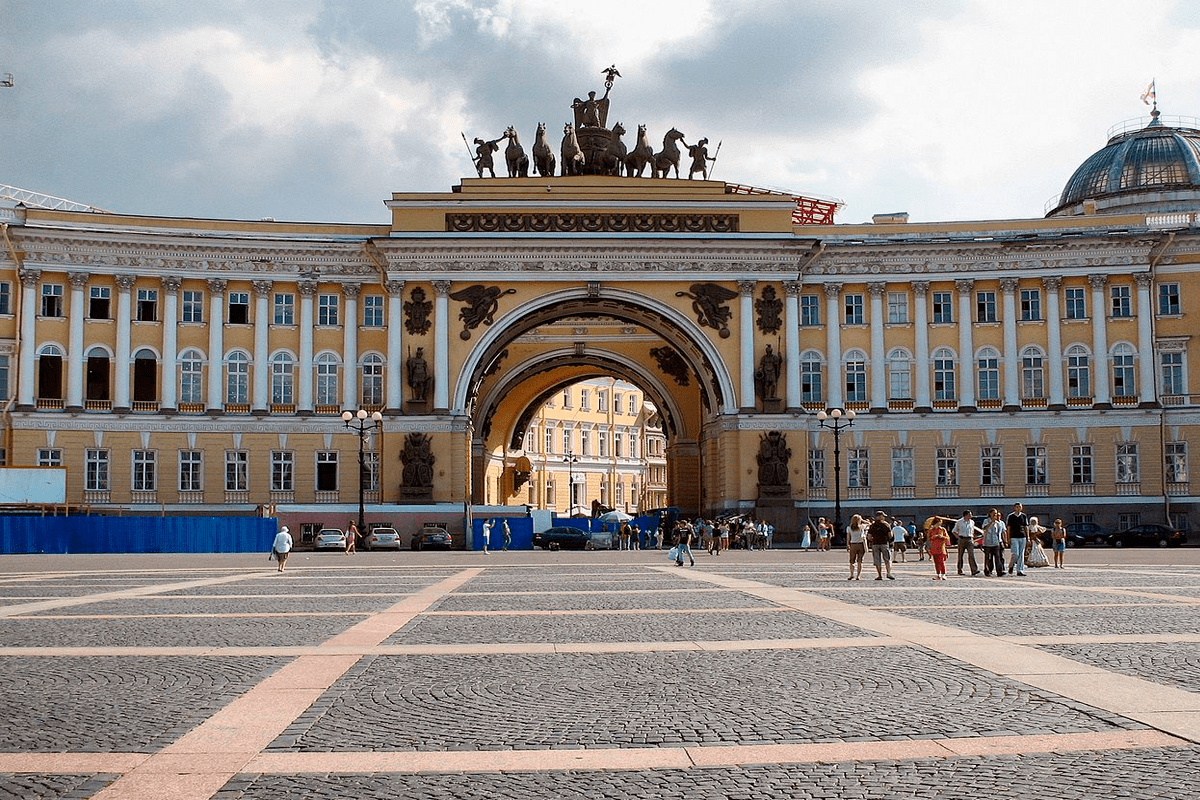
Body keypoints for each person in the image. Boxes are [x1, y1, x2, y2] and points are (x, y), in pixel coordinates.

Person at [952, 510, 982, 576]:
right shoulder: (959, 522)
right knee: (960, 555)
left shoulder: (972, 522)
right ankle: (960, 569)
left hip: (969, 539)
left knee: (971, 555)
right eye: (969, 514)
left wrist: (973, 538)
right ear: (966, 515)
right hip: (962, 539)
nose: (971, 516)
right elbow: (954, 531)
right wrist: (958, 537)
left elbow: (972, 531)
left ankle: (974, 570)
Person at [867, 511, 895, 580]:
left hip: (875, 544)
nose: (884, 517)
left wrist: (873, 539)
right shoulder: (886, 525)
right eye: (883, 516)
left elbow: (869, 537)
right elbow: (890, 535)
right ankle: (888, 573)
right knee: (887, 559)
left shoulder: (872, 525)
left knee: (877, 560)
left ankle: (879, 575)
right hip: (884, 543)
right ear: (881, 516)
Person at [982, 508, 1007, 577]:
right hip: (988, 542)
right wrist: (991, 522)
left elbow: (1000, 532)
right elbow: (984, 528)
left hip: (996, 542)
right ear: (990, 514)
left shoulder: (998, 523)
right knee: (988, 558)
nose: (995, 515)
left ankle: (999, 571)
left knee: (998, 557)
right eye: (993, 513)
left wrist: (1002, 541)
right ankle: (988, 571)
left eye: (996, 513)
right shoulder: (986, 521)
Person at [1006, 502, 1029, 576]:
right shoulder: (1011, 516)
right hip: (1014, 537)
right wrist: (1008, 538)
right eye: (1017, 507)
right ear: (1014, 508)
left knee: (1021, 554)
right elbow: (1008, 528)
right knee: (1015, 553)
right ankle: (1011, 565)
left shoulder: (1023, 516)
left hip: (1022, 536)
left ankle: (1020, 570)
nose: (1019, 508)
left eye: (1020, 507)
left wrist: (1028, 537)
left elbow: (1026, 527)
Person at [846, 513, 867, 580]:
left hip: (853, 544)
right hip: (861, 544)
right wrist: (863, 520)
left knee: (852, 561)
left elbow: (848, 538)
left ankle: (852, 574)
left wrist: (847, 545)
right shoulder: (862, 526)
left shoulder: (849, 528)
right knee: (860, 561)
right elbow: (870, 523)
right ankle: (858, 575)